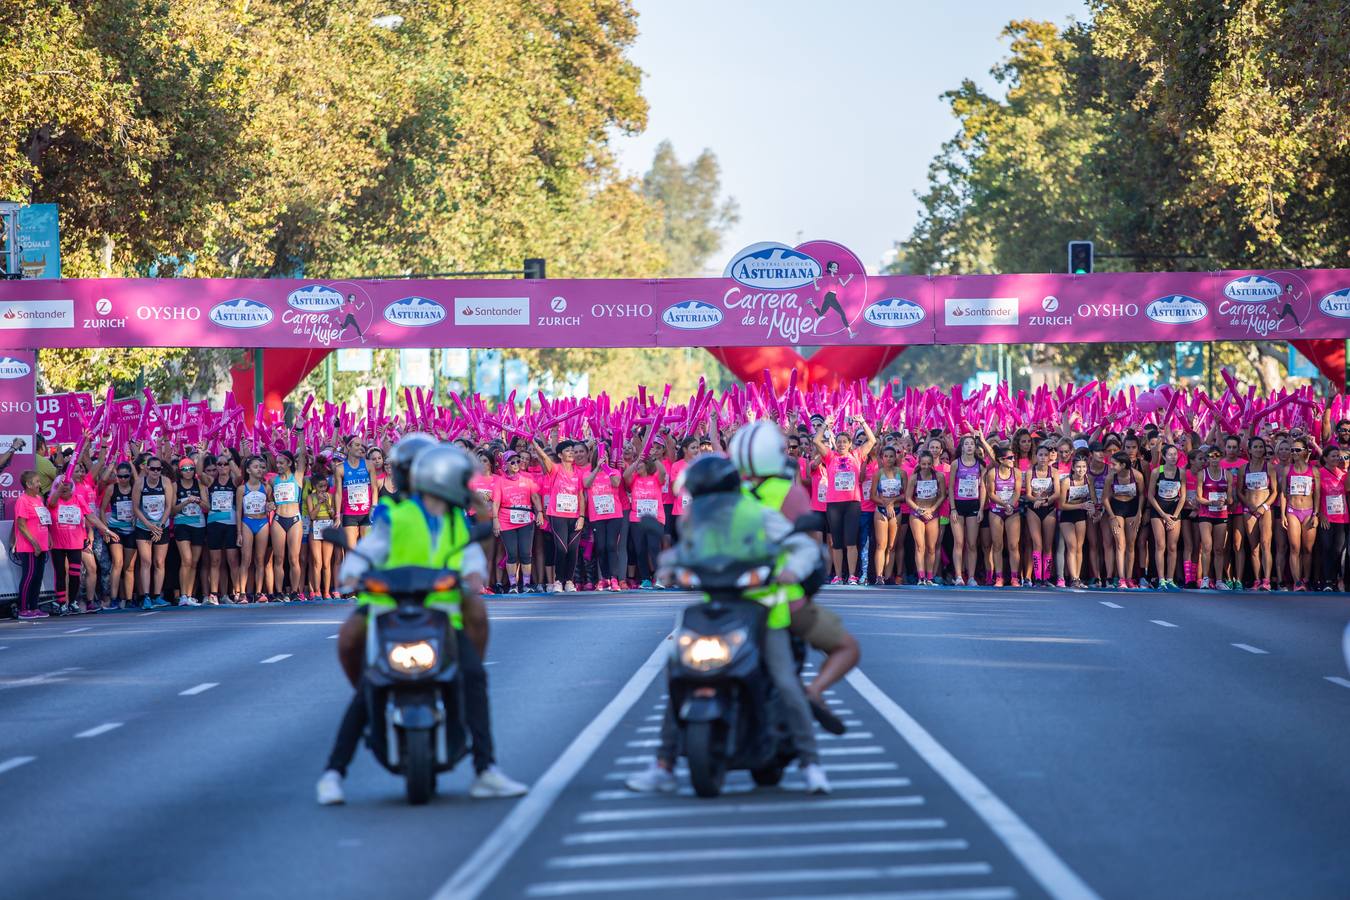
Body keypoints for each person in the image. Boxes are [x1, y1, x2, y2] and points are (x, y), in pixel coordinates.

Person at [317, 443, 527, 805]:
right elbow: (370, 550)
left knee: (473, 676)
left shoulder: (452, 519)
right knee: (372, 685)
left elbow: (469, 553)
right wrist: (352, 575)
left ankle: (485, 768)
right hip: (389, 611)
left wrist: (474, 573)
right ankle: (334, 773)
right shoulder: (394, 513)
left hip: (441, 616)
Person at [627, 455, 831, 795]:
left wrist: (792, 568)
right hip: (715, 610)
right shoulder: (695, 521)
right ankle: (663, 765)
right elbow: (682, 553)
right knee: (677, 669)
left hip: (764, 608)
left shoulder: (758, 514)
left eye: (705, 493)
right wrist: (668, 565)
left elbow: (800, 545)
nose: (703, 501)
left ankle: (811, 765)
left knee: (784, 680)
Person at [729, 420, 858, 723]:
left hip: (762, 596)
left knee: (682, 672)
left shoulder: (734, 492)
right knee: (846, 648)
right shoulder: (784, 491)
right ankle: (815, 691)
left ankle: (663, 762)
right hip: (755, 596)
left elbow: (809, 547)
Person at [132, 456, 174, 609]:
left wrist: (160, 526)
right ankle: (146, 597)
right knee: (146, 562)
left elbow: (169, 506)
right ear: (147, 469)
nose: (155, 471)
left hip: (160, 526)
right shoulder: (139, 483)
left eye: (158, 469)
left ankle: (157, 595)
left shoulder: (165, 482)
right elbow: (135, 507)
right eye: (153, 468)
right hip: (144, 526)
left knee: (159, 562)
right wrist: (149, 525)